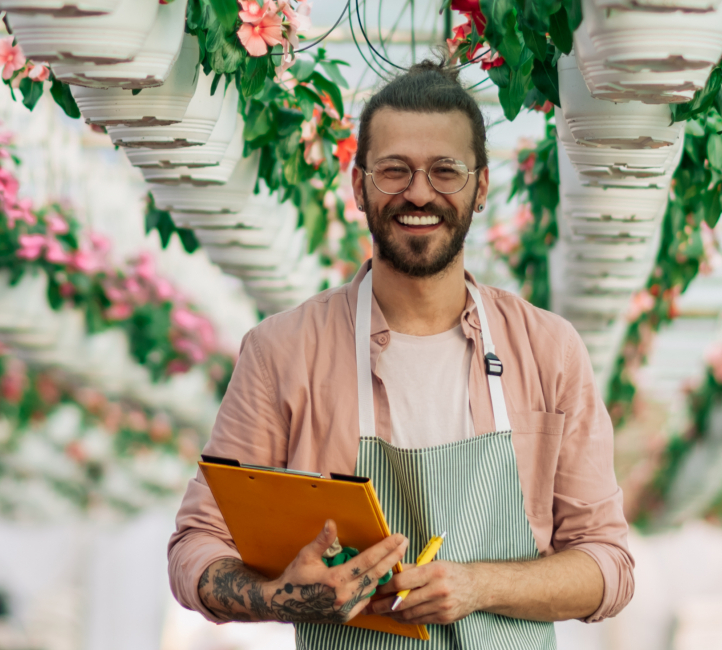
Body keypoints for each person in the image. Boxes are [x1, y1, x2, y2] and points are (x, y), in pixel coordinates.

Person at [166, 60, 635, 649]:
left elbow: (608, 565)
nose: (419, 192)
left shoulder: (547, 350)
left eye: (446, 171)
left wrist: (477, 585)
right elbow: (197, 544)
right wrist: (278, 595)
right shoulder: (283, 352)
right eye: (394, 171)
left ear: (480, 187)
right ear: (359, 185)